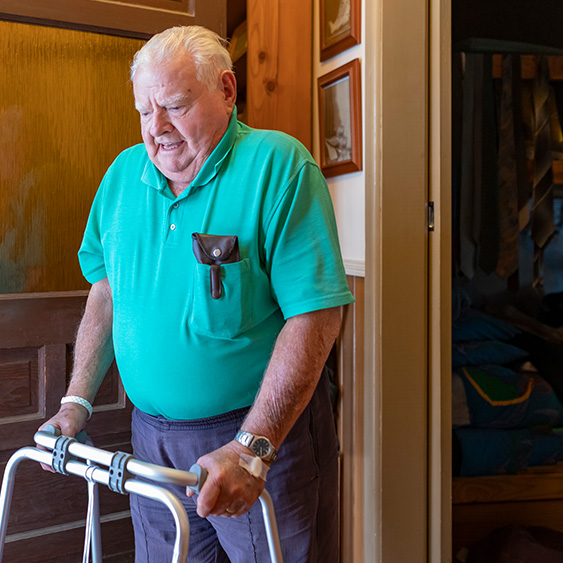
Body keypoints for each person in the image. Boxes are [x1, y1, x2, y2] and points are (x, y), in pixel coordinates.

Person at [41, 25, 355, 563]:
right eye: (144, 111)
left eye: (175, 106)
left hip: (257, 437)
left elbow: (315, 317)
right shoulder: (121, 176)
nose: (156, 128)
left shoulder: (279, 167)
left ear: (226, 91)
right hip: (152, 441)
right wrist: (76, 402)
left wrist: (252, 449)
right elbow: (106, 292)